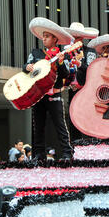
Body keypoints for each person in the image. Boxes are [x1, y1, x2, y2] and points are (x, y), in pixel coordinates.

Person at [23, 17, 74, 161]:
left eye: (47, 37)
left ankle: (66, 153)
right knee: (38, 126)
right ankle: (38, 154)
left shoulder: (61, 55)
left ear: (55, 39)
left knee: (60, 125)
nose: (44, 39)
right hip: (38, 95)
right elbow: (25, 68)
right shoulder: (36, 53)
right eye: (43, 37)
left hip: (54, 94)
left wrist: (61, 62)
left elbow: (65, 74)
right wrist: (27, 67)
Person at [62, 22, 99, 142]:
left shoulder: (90, 52)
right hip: (73, 90)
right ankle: (74, 146)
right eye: (72, 37)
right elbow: (63, 71)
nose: (74, 40)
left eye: (77, 37)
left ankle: (91, 144)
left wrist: (79, 64)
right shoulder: (66, 53)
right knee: (73, 118)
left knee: (89, 116)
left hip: (87, 90)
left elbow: (91, 70)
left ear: (82, 38)